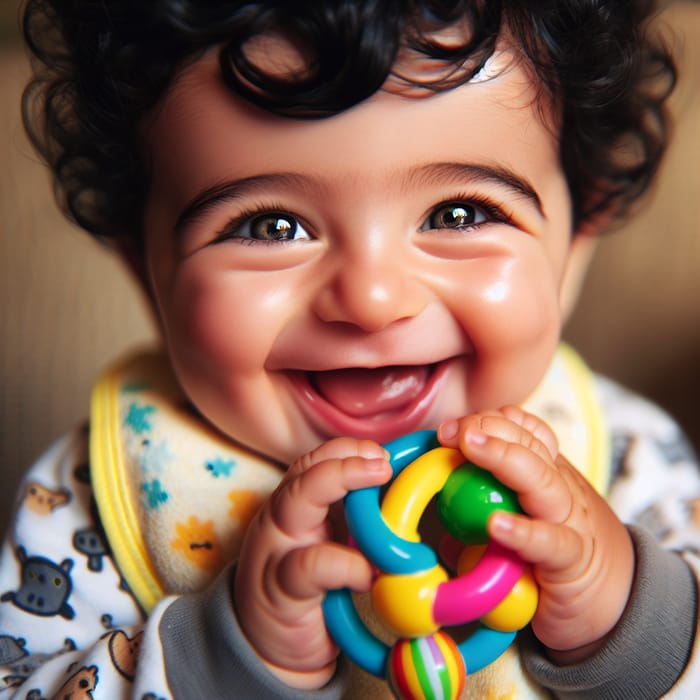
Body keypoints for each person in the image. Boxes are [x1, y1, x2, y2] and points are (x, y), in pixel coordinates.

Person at [3, 0, 699, 697]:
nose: (371, 299)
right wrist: (222, 658)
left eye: (459, 215)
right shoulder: (88, 499)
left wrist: (635, 623)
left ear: (574, 249)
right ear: (145, 271)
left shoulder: (628, 459)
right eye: (271, 227)